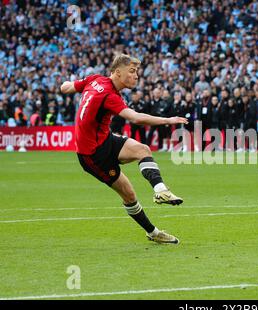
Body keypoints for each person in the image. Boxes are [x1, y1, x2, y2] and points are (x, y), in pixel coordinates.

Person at [60, 54, 187, 244]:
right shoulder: (109, 95)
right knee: (129, 194)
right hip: (92, 155)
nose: (136, 76)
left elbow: (66, 87)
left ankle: (161, 191)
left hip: (105, 139)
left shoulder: (95, 79)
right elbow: (135, 118)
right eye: (132, 71)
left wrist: (66, 83)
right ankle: (153, 233)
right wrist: (168, 120)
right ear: (118, 73)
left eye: (137, 72)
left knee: (143, 149)